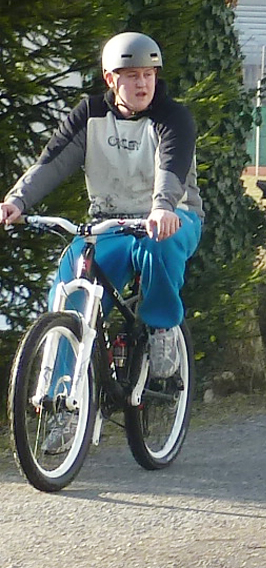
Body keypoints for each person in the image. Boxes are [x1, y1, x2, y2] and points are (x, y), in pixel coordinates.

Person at [1, 32, 203, 379]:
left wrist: (162, 207)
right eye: (132, 75)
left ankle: (162, 328)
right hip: (109, 223)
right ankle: (61, 393)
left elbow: (172, 169)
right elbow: (52, 162)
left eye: (149, 74)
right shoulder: (90, 114)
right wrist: (17, 200)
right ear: (111, 79)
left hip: (171, 216)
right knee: (70, 293)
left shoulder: (174, 118)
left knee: (159, 245)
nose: (143, 84)